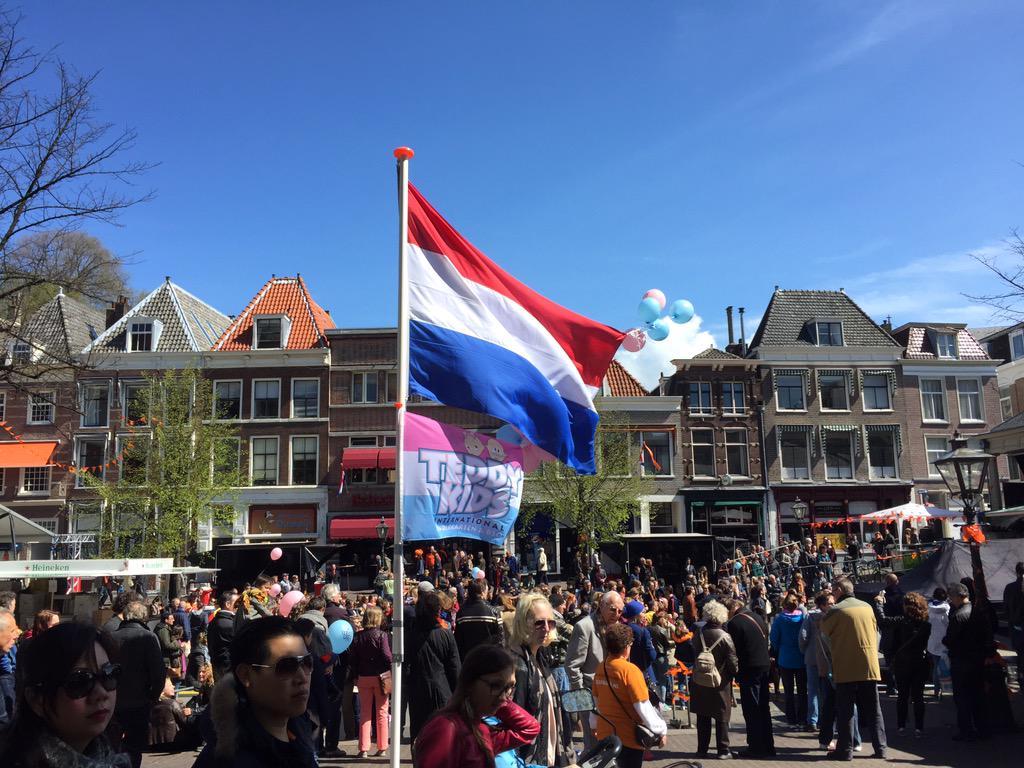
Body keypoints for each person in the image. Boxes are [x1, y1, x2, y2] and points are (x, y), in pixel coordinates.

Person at [0, 622, 127, 768]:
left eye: (109, 674)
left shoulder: (109, 754)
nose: (101, 693)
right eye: (80, 681)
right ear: (37, 699)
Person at [194, 616, 315, 767]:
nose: (302, 677)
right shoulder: (230, 760)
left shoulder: (300, 736)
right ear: (245, 675)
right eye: (286, 666)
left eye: (307, 663)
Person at [413, 644, 539, 768]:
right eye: (495, 685)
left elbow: (529, 728)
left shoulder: (480, 728)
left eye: (510, 687)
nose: (503, 697)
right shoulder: (446, 728)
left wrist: (501, 699)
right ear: (469, 683)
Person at [821, 577, 887, 761]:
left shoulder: (836, 610)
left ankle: (845, 750)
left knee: (845, 710)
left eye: (834, 590)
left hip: (846, 666)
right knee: (874, 709)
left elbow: (824, 631)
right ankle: (881, 747)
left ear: (840, 590)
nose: (832, 593)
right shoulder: (867, 607)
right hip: (869, 665)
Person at [509, 593, 573, 767]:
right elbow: (514, 724)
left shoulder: (540, 656)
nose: (546, 628)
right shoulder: (519, 666)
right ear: (523, 623)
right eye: (539, 623)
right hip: (531, 759)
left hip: (549, 756)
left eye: (550, 622)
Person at [593, 622, 667, 768]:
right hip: (628, 738)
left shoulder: (601, 667)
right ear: (627, 646)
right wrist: (661, 730)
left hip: (605, 736)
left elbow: (596, 701)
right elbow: (643, 707)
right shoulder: (630, 671)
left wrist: (593, 725)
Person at [565, 590, 625, 752]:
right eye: (613, 609)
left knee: (611, 741)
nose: (617, 614)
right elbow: (572, 665)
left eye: (620, 611)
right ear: (602, 606)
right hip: (589, 694)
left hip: (612, 694)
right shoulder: (584, 627)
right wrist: (582, 699)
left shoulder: (617, 627)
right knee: (593, 744)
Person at [112, 601, 165, 768]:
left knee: (111, 744)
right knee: (134, 747)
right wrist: (154, 695)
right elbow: (158, 672)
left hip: (113, 700)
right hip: (139, 701)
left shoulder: (111, 636)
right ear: (144, 617)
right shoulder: (148, 637)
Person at [872, 591, 931, 735]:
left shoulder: (901, 621)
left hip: (903, 663)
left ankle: (901, 726)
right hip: (920, 662)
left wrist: (879, 604)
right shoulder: (926, 624)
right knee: (918, 696)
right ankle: (919, 727)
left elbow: (883, 620)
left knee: (903, 696)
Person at [408, 590, 461, 739]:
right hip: (442, 691)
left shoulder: (411, 635)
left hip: (417, 691)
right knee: (442, 737)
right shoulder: (445, 635)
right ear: (437, 611)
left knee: (420, 737)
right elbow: (455, 668)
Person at [689, 600, 739, 759]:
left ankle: (701, 749)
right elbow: (733, 662)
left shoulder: (698, 634)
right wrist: (734, 673)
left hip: (700, 679)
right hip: (720, 682)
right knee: (721, 716)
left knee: (703, 715)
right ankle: (723, 750)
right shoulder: (725, 637)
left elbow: (693, 654)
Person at [725, 598, 774, 757]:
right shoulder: (757, 617)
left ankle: (755, 747)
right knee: (763, 707)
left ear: (732, 609)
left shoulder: (734, 623)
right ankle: (768, 745)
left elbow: (734, 650)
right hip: (764, 665)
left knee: (751, 708)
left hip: (749, 668)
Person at [943, 582, 988, 741]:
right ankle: (982, 728)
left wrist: (946, 641)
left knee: (962, 698)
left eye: (951, 597)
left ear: (956, 596)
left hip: (961, 661)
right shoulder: (977, 612)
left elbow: (949, 639)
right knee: (978, 696)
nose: (950, 600)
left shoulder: (958, 616)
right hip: (977, 660)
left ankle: (966, 730)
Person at [348, 604, 392, 759]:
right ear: (377, 618)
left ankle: (364, 748)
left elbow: (353, 659)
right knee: (382, 712)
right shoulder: (382, 635)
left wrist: (355, 675)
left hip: (363, 677)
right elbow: (387, 656)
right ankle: (382, 747)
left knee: (365, 713)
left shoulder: (358, 636)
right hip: (380, 677)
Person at [769, 592, 807, 728]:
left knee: (788, 691)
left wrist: (778, 648)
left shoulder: (780, 619)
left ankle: (791, 719)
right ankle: (803, 718)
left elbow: (774, 638)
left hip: (785, 657)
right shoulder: (803, 618)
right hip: (801, 657)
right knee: (802, 690)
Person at [454, 579, 502, 661]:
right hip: (489, 659)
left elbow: (458, 641)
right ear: (483, 593)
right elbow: (500, 640)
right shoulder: (494, 612)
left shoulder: (461, 613)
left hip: (468, 660)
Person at [1003, 562, 1024, 691]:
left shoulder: (1010, 588)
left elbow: (1006, 609)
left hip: (1016, 629)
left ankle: (1021, 680)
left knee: (1020, 656)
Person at [207, 591, 236, 681]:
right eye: (237, 603)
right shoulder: (229, 623)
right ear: (228, 604)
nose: (240, 605)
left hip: (218, 664)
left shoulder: (215, 621)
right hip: (228, 666)